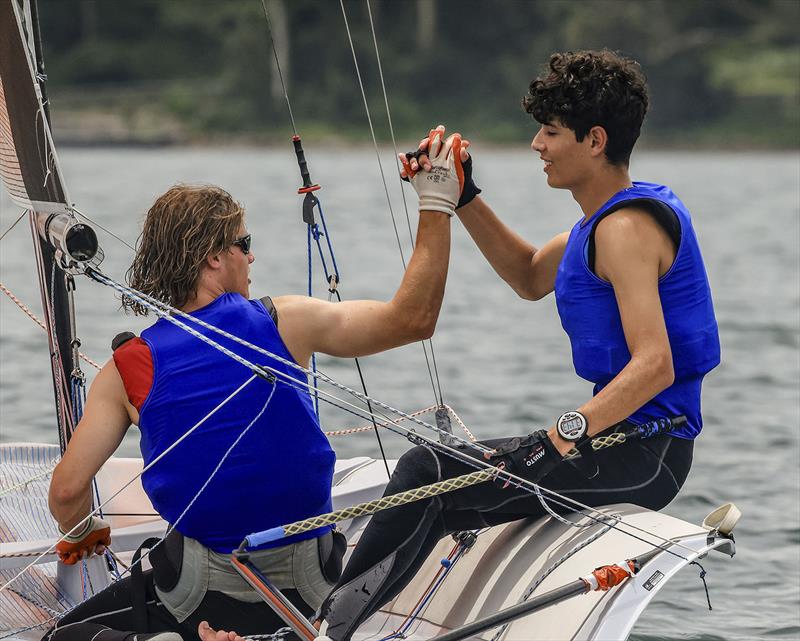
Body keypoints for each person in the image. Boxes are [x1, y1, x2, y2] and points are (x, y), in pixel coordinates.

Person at [307, 49, 721, 641]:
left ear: (595, 140)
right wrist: (462, 193)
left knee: (428, 468)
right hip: (619, 444)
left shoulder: (626, 228)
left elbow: (656, 366)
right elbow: (528, 274)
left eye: (551, 132)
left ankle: (325, 629)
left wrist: (559, 437)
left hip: (645, 455)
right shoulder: (595, 223)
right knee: (435, 482)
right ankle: (345, 620)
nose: (537, 145)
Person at [45, 130, 467, 641]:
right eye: (244, 245)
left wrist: (83, 535)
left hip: (197, 599)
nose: (252, 258)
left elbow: (68, 490)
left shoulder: (126, 367)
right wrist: (436, 199)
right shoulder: (285, 320)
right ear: (213, 258)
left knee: (60, 637)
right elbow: (413, 319)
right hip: (308, 592)